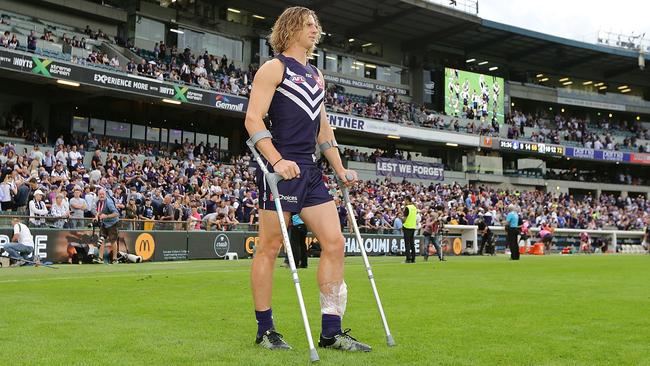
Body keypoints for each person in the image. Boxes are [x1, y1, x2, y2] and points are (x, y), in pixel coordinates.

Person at [245, 6, 370, 352]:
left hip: (311, 172)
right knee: (269, 247)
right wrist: (278, 161)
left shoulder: (316, 76)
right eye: (309, 25)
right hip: (280, 170)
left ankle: (331, 332)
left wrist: (340, 167)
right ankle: (265, 329)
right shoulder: (274, 68)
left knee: (335, 243)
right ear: (291, 28)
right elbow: (253, 120)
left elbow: (323, 128)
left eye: (317, 25)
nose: (316, 30)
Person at [95, 188, 120, 264]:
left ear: (105, 195)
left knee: (113, 241)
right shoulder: (98, 202)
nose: (101, 196)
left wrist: (106, 216)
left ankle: (115, 259)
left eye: (103, 194)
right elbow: (99, 211)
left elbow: (116, 213)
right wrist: (96, 216)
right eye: (100, 194)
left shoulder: (109, 203)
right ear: (98, 195)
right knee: (101, 240)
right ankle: (100, 258)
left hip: (112, 223)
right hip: (104, 223)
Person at [402, 196, 417, 263]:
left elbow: (405, 218)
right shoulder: (414, 208)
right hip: (413, 226)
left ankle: (408, 258)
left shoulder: (407, 208)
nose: (404, 202)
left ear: (407, 200)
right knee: (412, 243)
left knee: (407, 244)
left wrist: (402, 220)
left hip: (407, 226)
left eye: (405, 200)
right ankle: (413, 258)